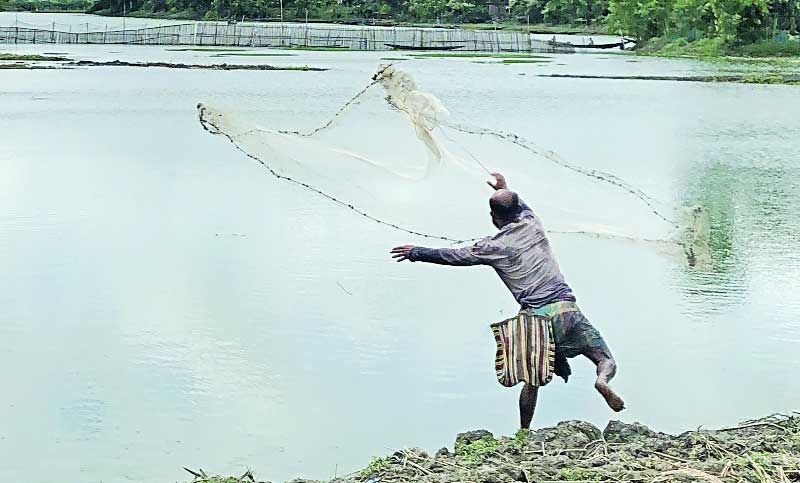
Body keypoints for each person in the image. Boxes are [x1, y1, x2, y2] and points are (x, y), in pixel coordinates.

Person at [390, 172, 625, 429]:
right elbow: (519, 207)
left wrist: (416, 252)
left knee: (531, 381)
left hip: (536, 319)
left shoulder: (491, 247)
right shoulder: (532, 223)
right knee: (604, 358)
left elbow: (453, 256)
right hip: (567, 309)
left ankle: (524, 432)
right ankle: (602, 381)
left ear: (494, 219)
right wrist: (505, 188)